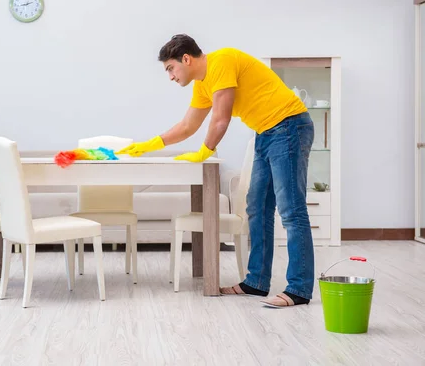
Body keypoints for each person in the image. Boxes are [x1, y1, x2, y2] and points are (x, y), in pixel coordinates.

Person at [116, 34, 315, 307]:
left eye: (170, 68)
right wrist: (149, 145)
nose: (171, 77)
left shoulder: (222, 60)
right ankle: (256, 283)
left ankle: (299, 290)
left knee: (291, 210)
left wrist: (205, 151)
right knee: (257, 207)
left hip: (289, 126)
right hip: (266, 132)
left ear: (186, 59)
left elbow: (221, 119)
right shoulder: (202, 84)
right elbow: (188, 125)